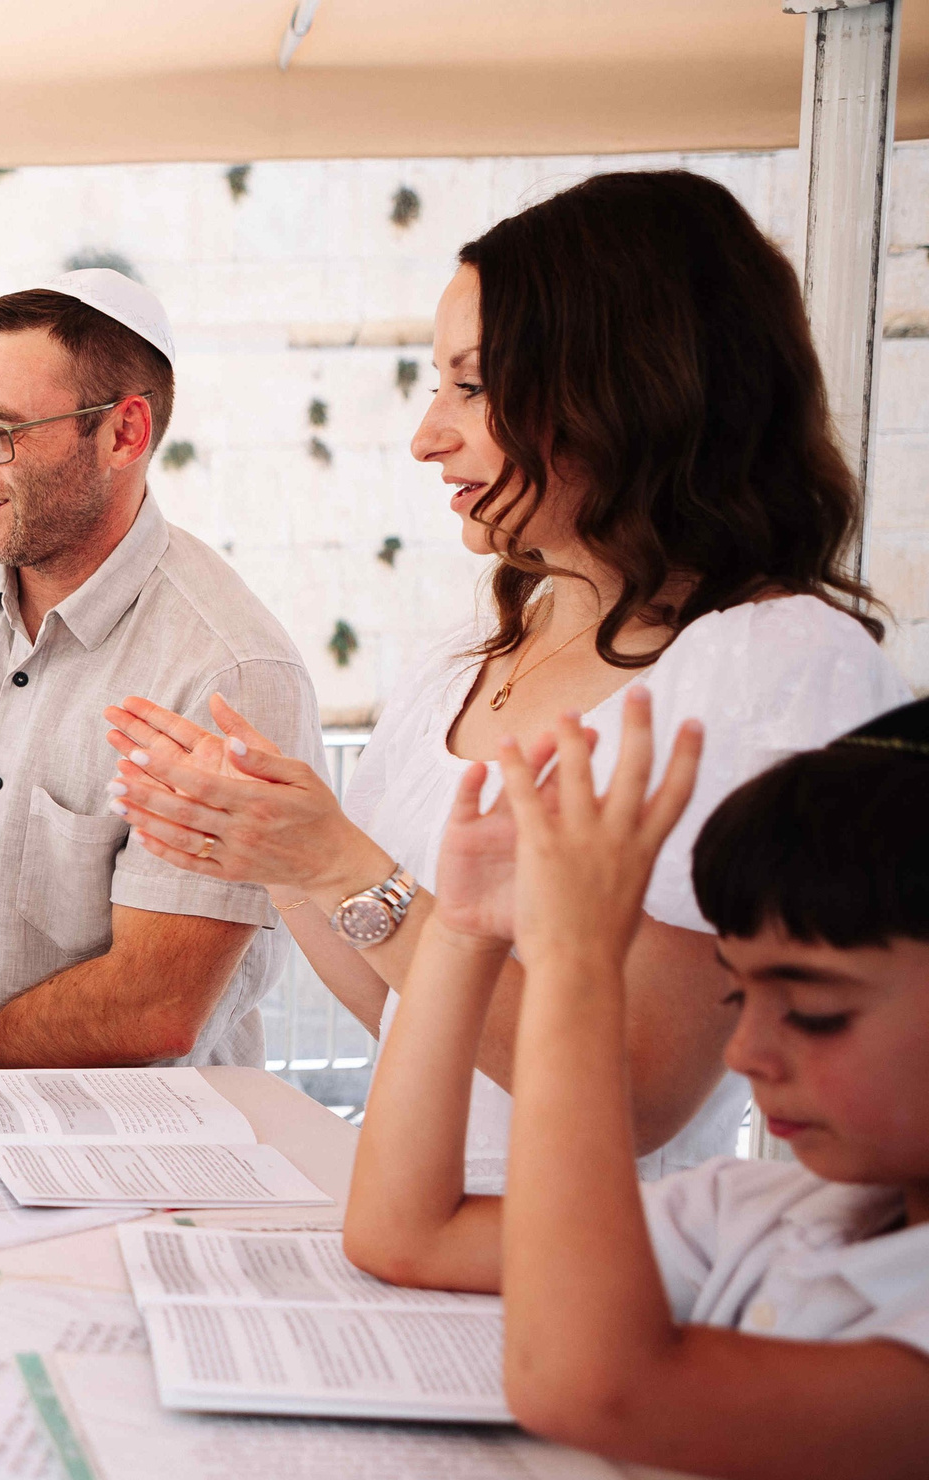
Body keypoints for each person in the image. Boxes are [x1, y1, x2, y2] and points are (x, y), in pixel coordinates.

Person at [103, 171, 908, 1186]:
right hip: (412, 1230)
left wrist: (345, 866)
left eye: (472, 387)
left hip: (588, 1283)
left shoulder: (776, 667)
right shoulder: (468, 654)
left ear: (626, 385)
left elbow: (638, 1091)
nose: (426, 434)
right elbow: (405, 1011)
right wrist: (279, 850)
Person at [339, 690, 929, 1480]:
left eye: (815, 1012)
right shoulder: (769, 1214)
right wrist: (465, 929)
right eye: (737, 997)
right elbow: (408, 1231)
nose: (748, 1053)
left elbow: (589, 1385)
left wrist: (574, 964)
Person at [0, 269, 323, 1076]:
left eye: (0, 432)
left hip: (136, 1158)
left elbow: (156, 1004)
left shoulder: (229, 671)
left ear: (124, 433)